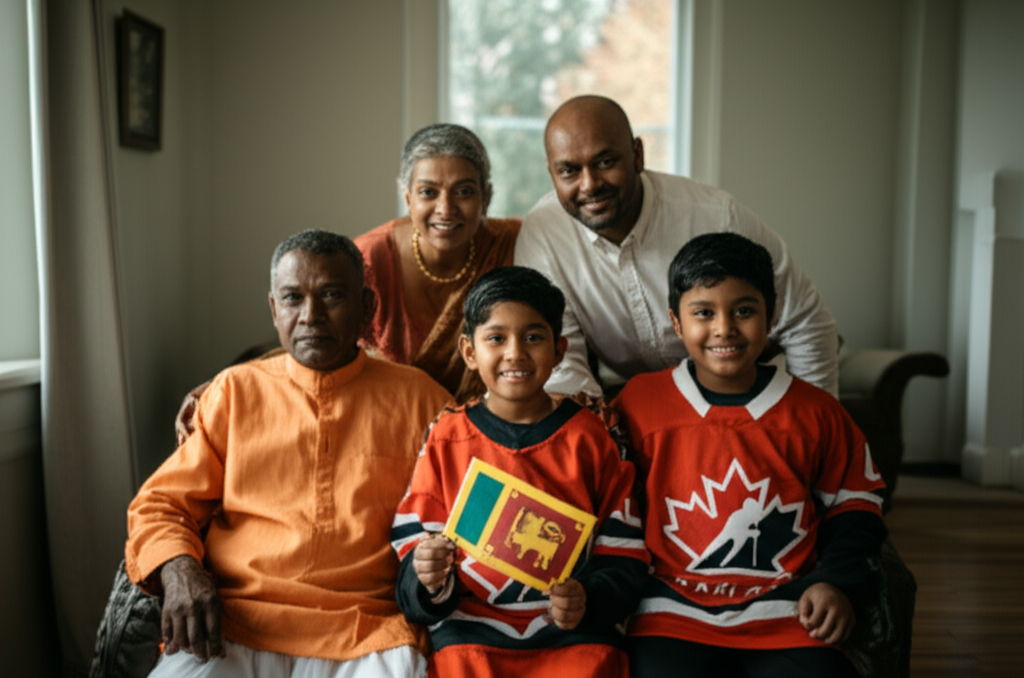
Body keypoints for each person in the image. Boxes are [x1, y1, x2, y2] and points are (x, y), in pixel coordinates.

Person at [124, 230, 452, 678]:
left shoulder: (423, 401)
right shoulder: (234, 391)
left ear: (366, 307)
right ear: (274, 309)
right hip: (235, 626)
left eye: (332, 295)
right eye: (293, 298)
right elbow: (161, 505)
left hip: (368, 632)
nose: (310, 316)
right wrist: (179, 569)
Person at [612, 233, 886, 678]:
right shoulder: (639, 403)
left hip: (789, 611)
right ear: (676, 322)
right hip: (671, 612)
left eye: (744, 311)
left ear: (771, 317)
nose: (724, 328)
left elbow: (856, 508)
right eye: (704, 312)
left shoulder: (817, 412)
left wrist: (835, 581)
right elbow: (610, 505)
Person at [391, 266, 649, 678]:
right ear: (469, 351)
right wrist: (428, 574)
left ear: (559, 350)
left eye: (533, 337)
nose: (515, 353)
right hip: (472, 632)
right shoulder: (445, 438)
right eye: (496, 338)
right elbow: (415, 548)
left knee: (597, 664)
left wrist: (588, 598)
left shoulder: (591, 437)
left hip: (572, 634)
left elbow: (625, 552)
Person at [514, 95, 840, 399]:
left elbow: (806, 323)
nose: (590, 184)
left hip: (752, 380)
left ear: (638, 155)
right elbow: (562, 362)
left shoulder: (716, 216)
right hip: (648, 401)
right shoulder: (543, 234)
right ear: (552, 174)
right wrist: (592, 433)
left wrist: (817, 425)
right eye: (568, 171)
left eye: (605, 161)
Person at [356, 123, 521, 402]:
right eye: (428, 192)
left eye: (463, 191)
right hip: (390, 416)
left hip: (494, 419)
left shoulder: (513, 244)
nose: (445, 209)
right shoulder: (365, 261)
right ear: (408, 198)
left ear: (486, 198)